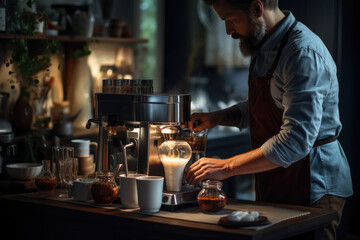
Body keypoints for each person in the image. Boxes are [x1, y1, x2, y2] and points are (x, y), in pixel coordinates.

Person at [185, 0, 353, 239]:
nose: (228, 30)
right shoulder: (264, 45)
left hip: (313, 187)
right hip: (278, 180)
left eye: (230, 19)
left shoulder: (302, 52)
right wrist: (218, 117)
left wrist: (225, 166)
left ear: (257, 9)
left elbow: (295, 140)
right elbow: (267, 104)